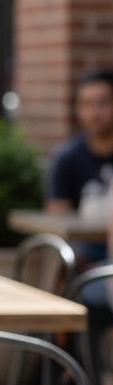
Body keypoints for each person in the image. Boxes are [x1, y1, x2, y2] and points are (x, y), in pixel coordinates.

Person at [46, 68, 113, 267]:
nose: (94, 112)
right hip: (85, 253)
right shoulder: (67, 158)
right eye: (86, 104)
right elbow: (58, 220)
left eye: (103, 103)